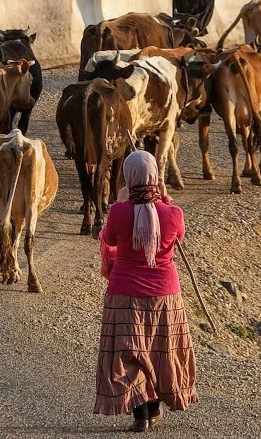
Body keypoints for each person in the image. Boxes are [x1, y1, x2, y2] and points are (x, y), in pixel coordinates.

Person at [95, 151, 197, 433]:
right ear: (156, 177)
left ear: (128, 177)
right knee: (161, 351)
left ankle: (141, 414)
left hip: (124, 293)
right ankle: (154, 409)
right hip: (166, 295)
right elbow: (178, 237)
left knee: (130, 351)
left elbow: (109, 238)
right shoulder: (174, 214)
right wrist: (165, 200)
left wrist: (121, 200)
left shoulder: (119, 211)